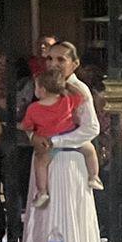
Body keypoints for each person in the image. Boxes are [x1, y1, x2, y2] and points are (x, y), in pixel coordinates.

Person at [20, 55, 102, 208]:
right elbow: (81, 97)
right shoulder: (66, 101)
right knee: (90, 150)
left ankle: (42, 191)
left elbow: (27, 126)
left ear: (42, 90)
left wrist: (25, 129)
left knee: (41, 162)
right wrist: (68, 86)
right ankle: (94, 176)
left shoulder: (34, 108)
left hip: (49, 141)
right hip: (70, 138)